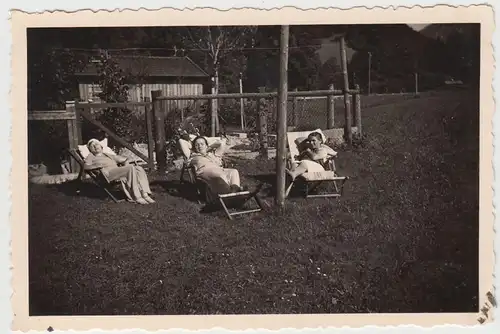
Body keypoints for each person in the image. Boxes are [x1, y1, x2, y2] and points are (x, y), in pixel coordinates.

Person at [83, 138, 155, 205]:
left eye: (97, 144)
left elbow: (124, 159)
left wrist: (126, 162)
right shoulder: (91, 156)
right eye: (92, 146)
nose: (95, 146)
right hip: (107, 174)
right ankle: (136, 197)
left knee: (139, 168)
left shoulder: (107, 155)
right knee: (130, 168)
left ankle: (144, 193)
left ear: (101, 147)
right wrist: (97, 166)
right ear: (90, 149)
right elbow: (85, 166)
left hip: (116, 171)